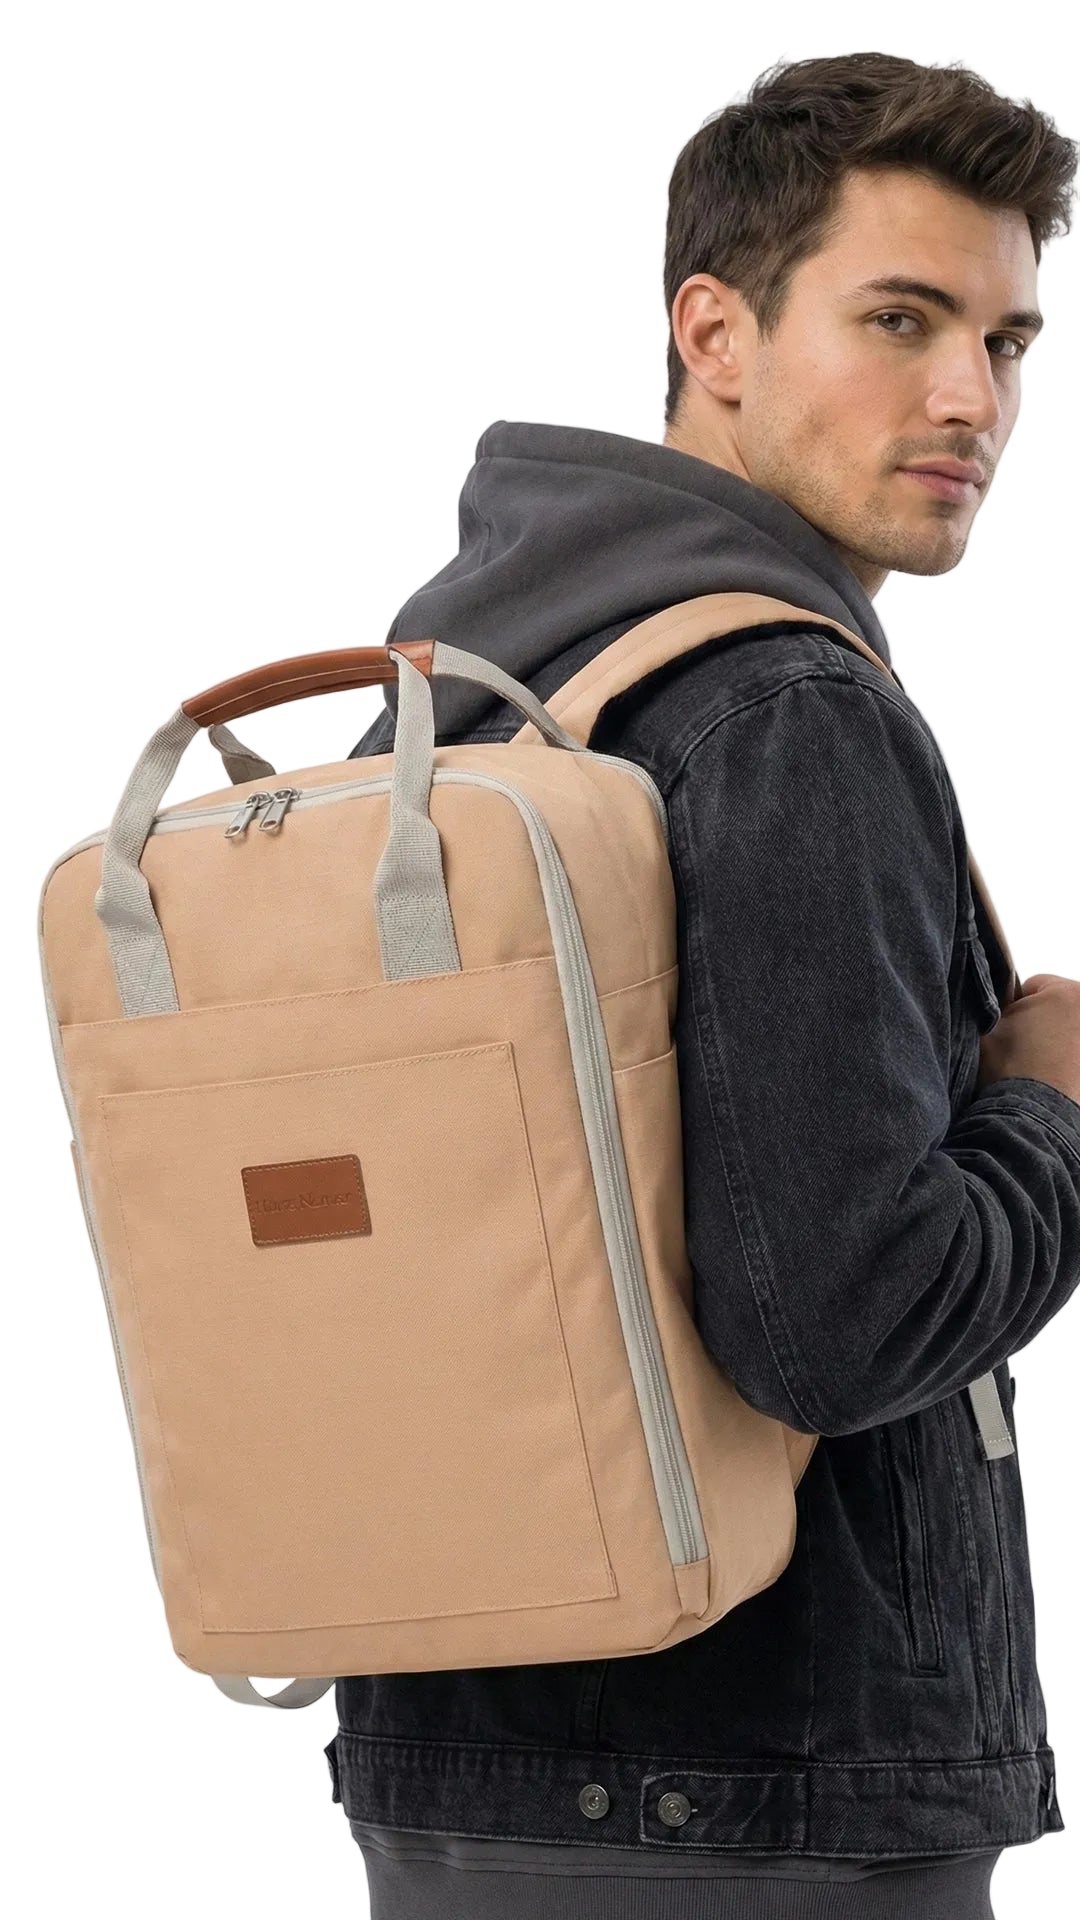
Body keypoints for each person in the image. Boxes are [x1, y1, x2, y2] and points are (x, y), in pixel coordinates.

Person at [324, 49, 1080, 1920]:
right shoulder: (790, 705)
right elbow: (841, 1324)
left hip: (450, 1750)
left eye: (1009, 339)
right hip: (776, 1792)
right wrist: (1052, 1109)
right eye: (900, 319)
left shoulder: (462, 692)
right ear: (714, 331)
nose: (969, 396)